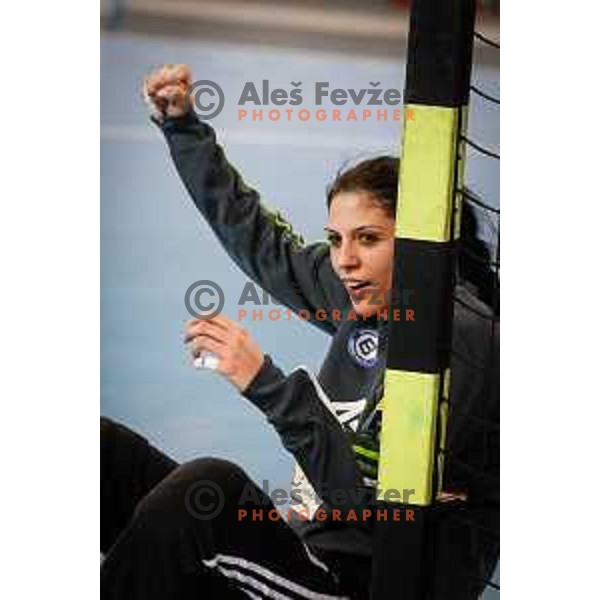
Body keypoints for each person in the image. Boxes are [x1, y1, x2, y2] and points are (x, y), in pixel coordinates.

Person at [100, 64, 499, 599]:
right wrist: (184, 128)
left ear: (426, 237)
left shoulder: (461, 344)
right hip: (304, 556)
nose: (345, 261)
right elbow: (262, 242)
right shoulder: (376, 297)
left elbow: (363, 508)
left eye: (368, 238)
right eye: (335, 240)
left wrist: (264, 381)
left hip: (360, 584)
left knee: (206, 488)